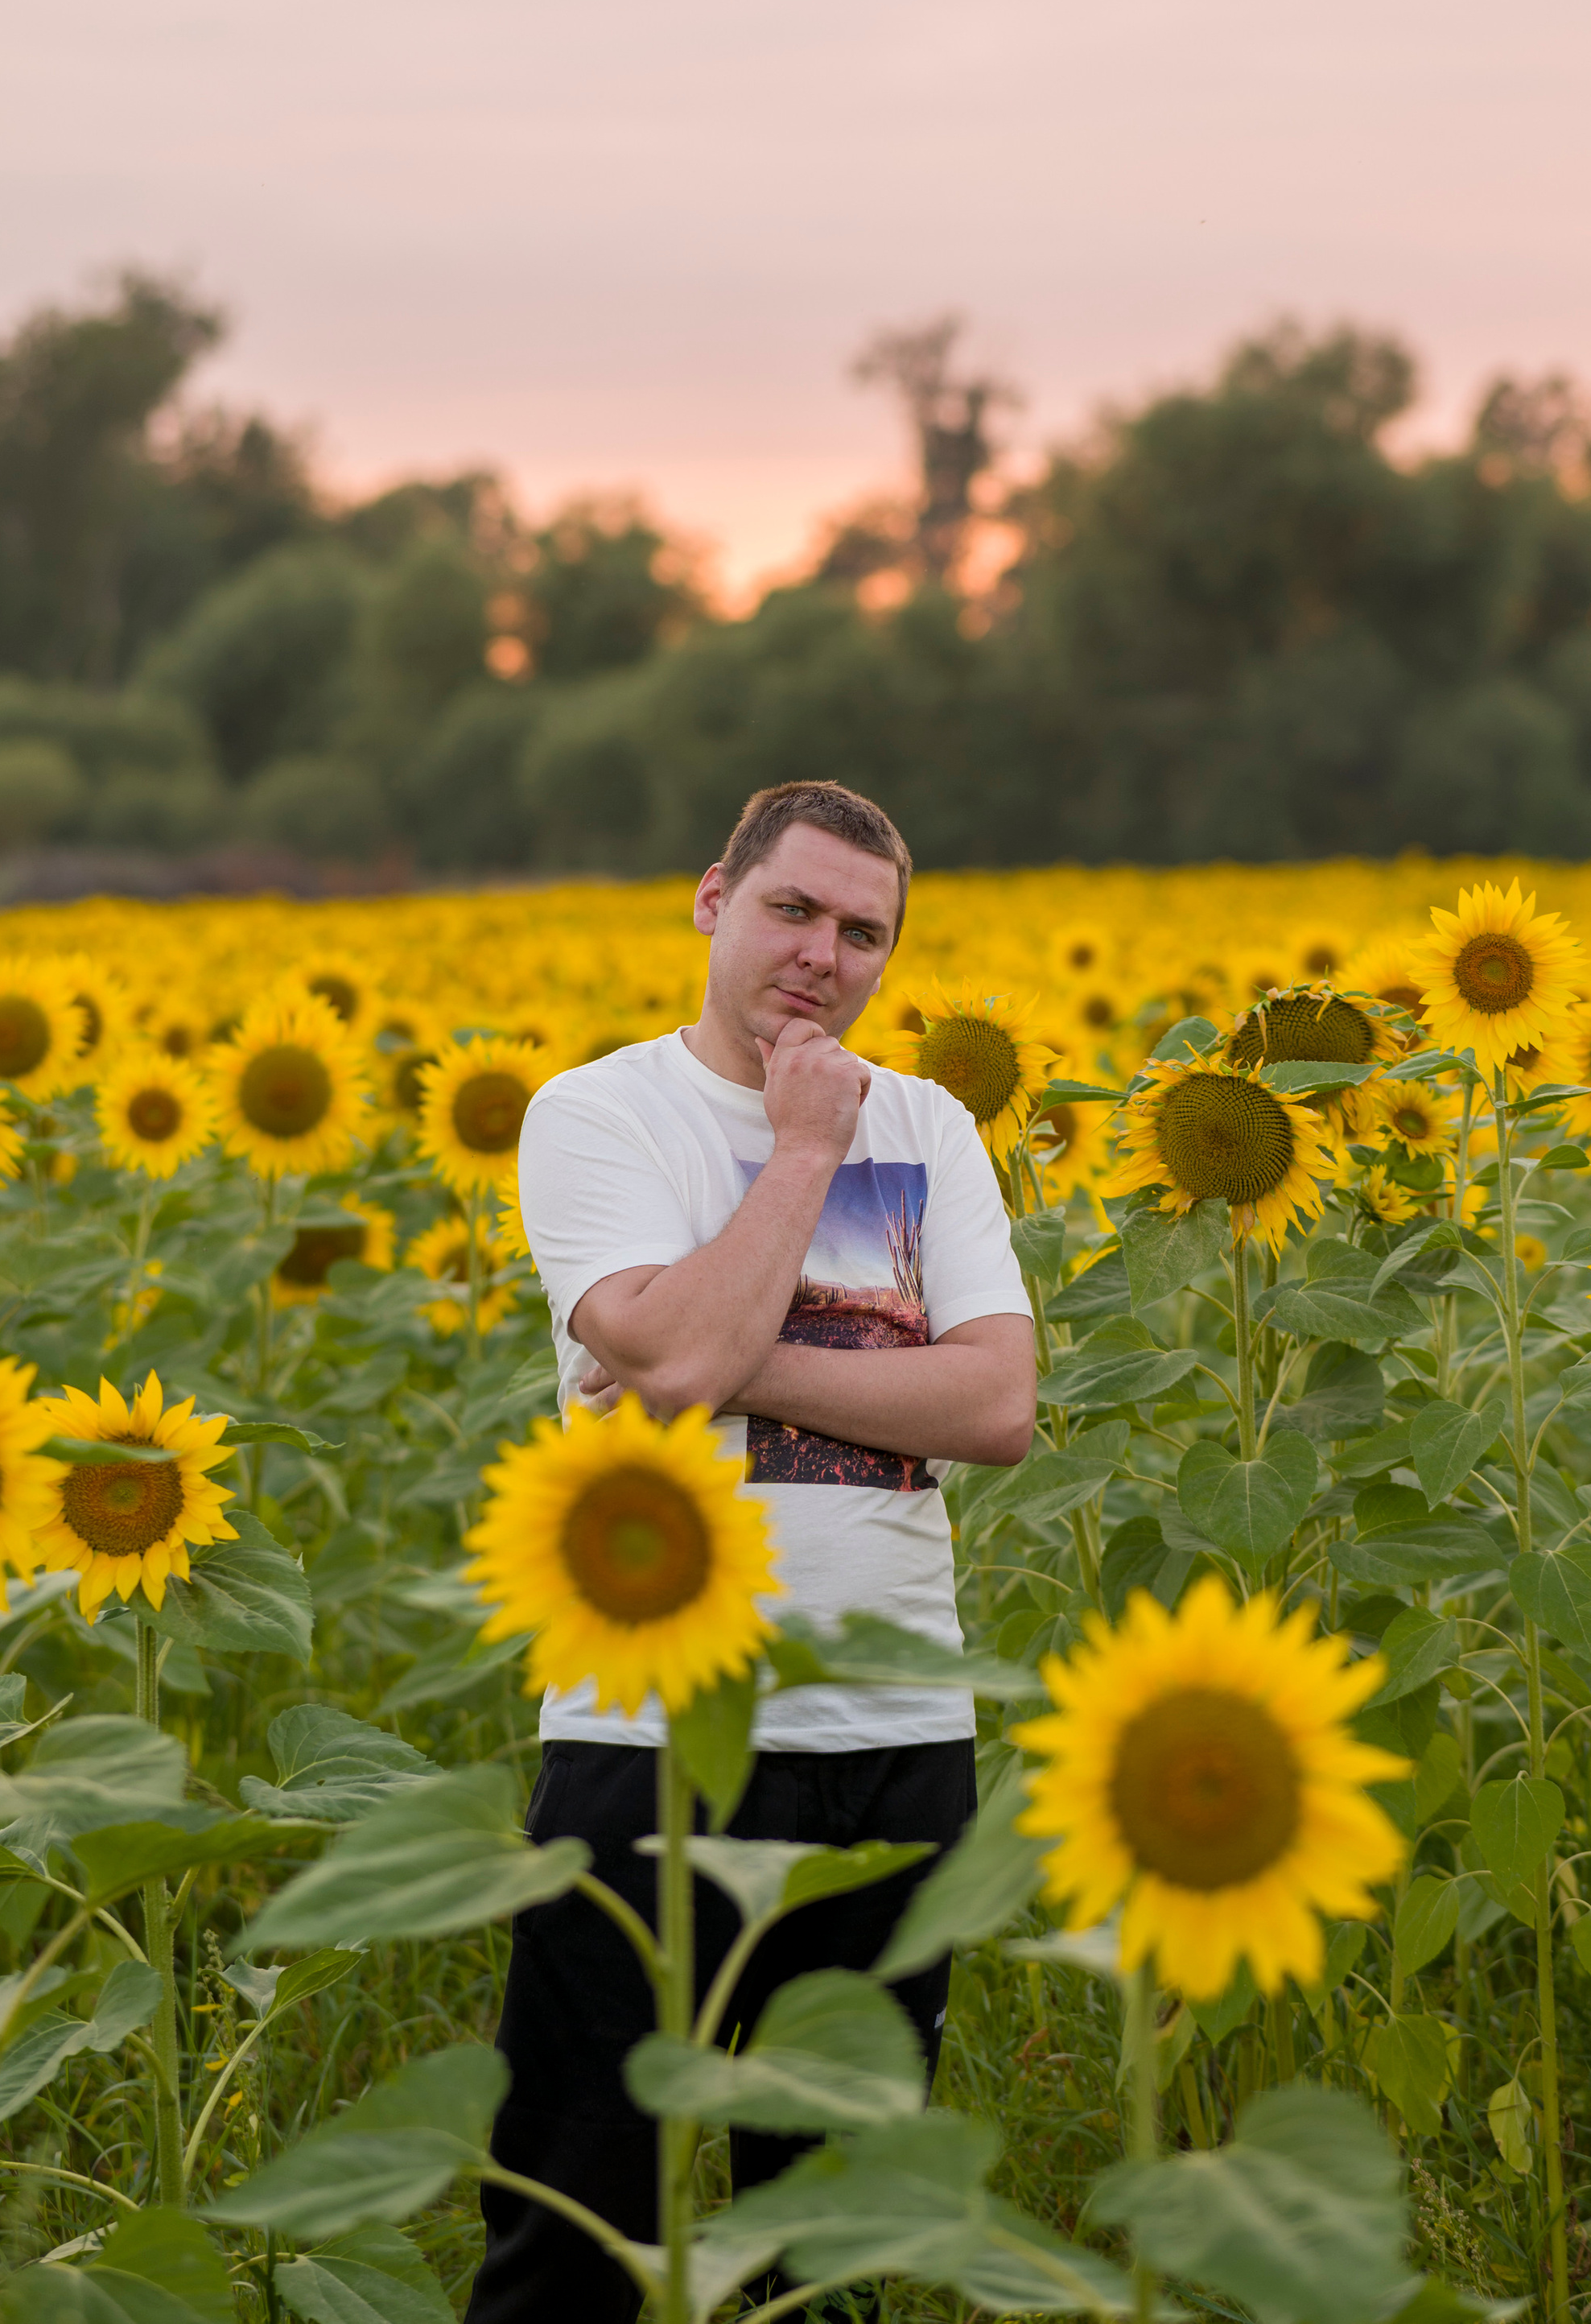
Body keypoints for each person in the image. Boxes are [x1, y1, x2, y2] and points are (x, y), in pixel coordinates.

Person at [467, 776, 1038, 2322]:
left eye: (863, 932)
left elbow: (993, 1402)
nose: (823, 954)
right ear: (713, 901)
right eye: (793, 908)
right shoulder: (598, 1113)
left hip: (900, 1734)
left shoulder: (934, 1125)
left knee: (830, 2247)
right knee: (575, 2222)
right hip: (653, 1733)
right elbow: (663, 1357)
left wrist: (714, 1353)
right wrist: (797, 1151)